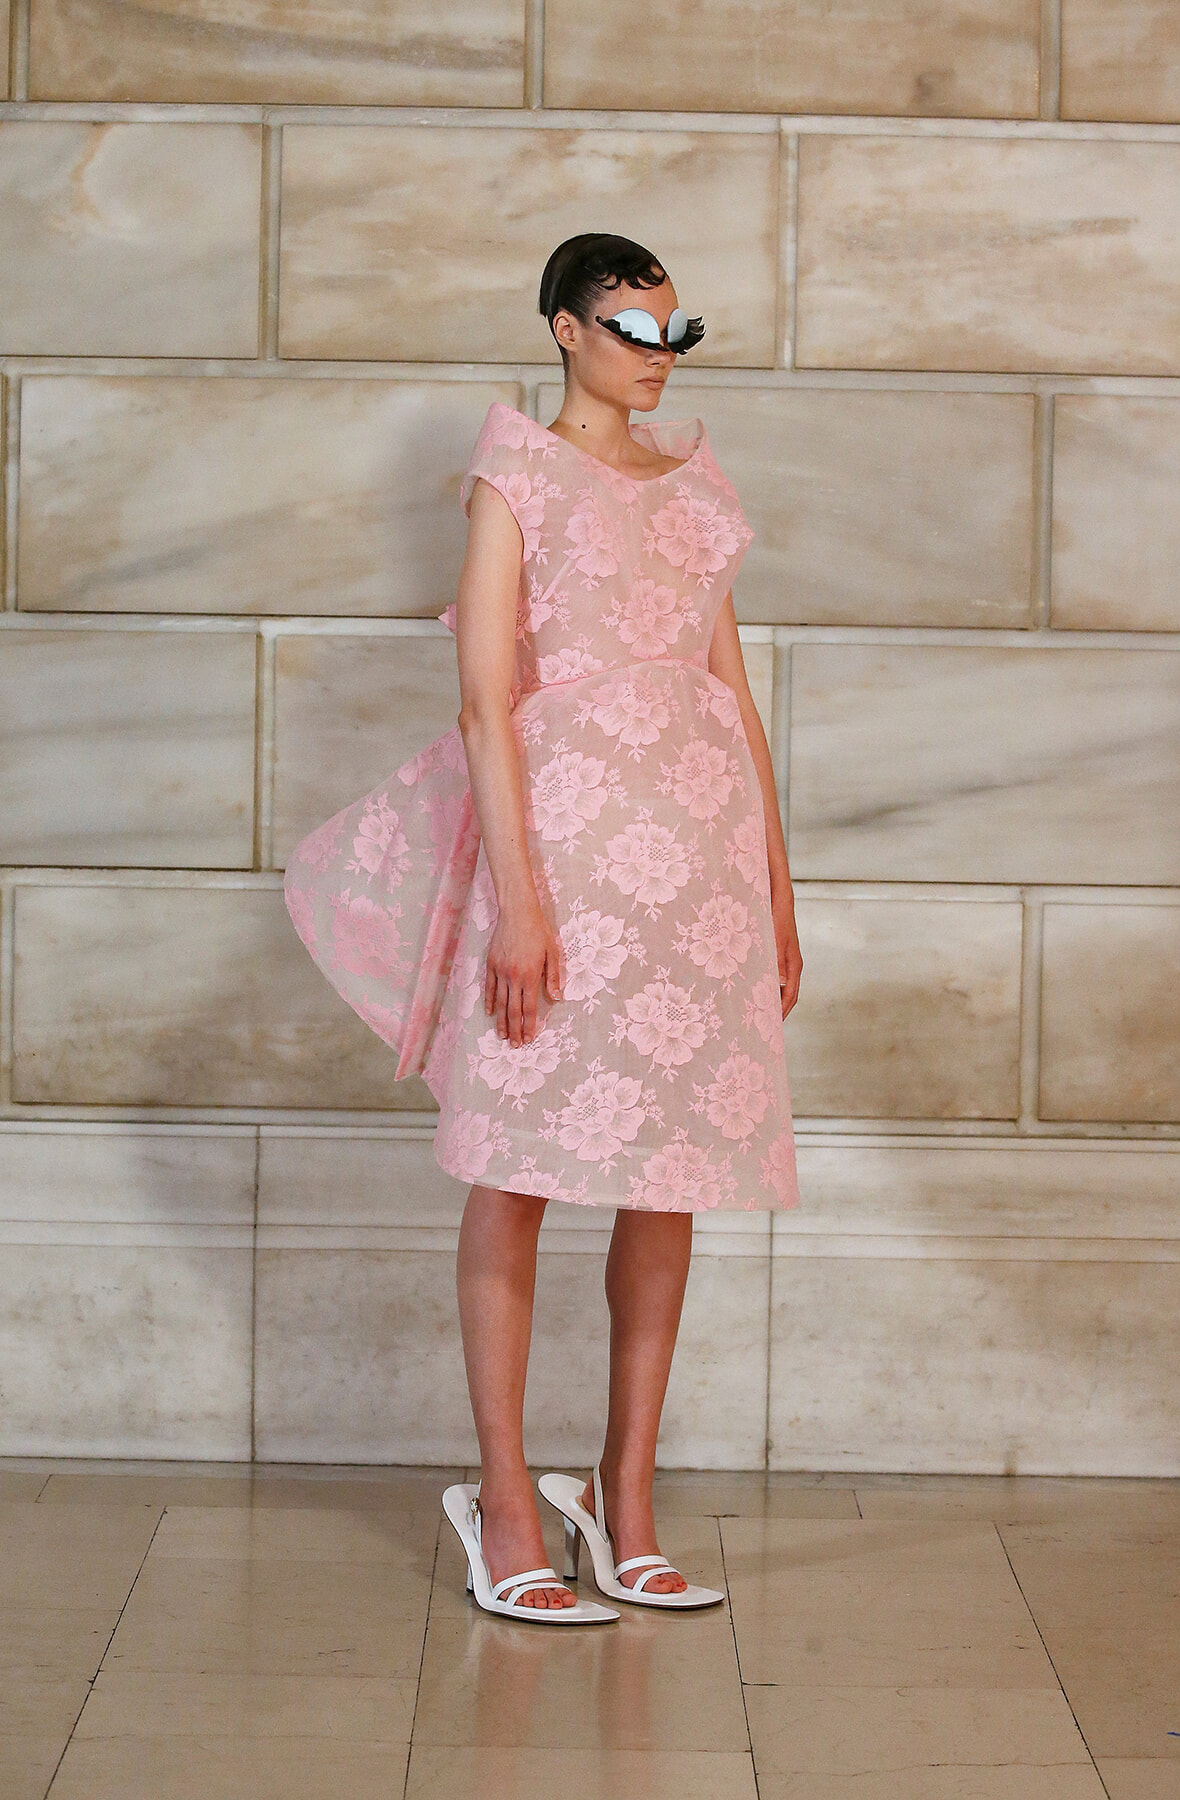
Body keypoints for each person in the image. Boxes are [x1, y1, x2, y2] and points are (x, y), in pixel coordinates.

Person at [283, 232, 802, 1626]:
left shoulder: (696, 487)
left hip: (694, 876)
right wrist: (518, 904)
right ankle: (504, 1497)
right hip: (562, 862)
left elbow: (733, 697)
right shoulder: (514, 474)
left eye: (673, 332)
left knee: (671, 1172)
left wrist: (777, 885)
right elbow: (482, 702)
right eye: (633, 328)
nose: (657, 355)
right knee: (513, 1166)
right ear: (566, 330)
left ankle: (622, 1496)